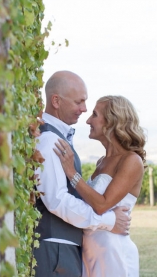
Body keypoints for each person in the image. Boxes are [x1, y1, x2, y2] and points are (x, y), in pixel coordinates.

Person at [34, 71, 131, 277]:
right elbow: (57, 200)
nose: (84, 110)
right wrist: (109, 221)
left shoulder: (56, 137)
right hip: (56, 251)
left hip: (67, 250)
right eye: (79, 102)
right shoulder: (51, 140)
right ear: (56, 101)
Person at [54, 95, 146, 277]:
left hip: (113, 250)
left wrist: (72, 173)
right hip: (91, 249)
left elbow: (102, 204)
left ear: (112, 122)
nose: (88, 120)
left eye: (94, 115)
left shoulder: (131, 160)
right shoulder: (101, 162)